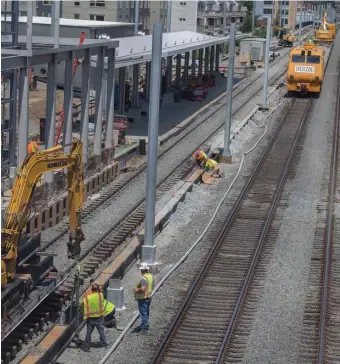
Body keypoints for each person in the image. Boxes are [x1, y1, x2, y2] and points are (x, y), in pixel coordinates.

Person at [81, 284, 108, 352]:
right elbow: (100, 291)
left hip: (91, 318)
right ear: (98, 289)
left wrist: (87, 295)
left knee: (89, 332)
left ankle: (87, 345)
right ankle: (104, 343)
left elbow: (82, 303)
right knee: (101, 331)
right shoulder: (100, 295)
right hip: (99, 316)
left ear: (91, 290)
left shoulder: (87, 298)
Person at [132, 262, 153, 333]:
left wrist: (136, 290)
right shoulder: (150, 276)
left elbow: (143, 288)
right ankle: (144, 325)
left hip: (143, 298)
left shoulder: (144, 278)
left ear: (142, 270)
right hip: (148, 297)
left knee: (143, 313)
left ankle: (144, 328)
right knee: (146, 312)